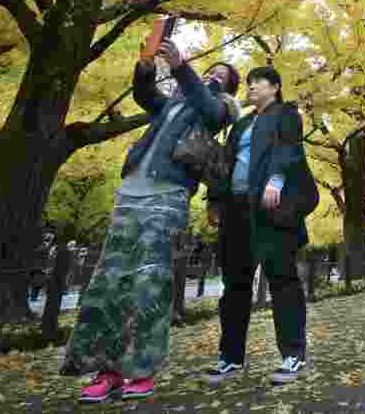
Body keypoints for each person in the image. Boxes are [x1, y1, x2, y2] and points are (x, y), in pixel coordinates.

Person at [62, 41, 240, 403]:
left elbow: (208, 107)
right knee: (110, 282)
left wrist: (187, 72)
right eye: (211, 72)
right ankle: (106, 370)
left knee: (149, 282)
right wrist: (145, 67)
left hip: (168, 196)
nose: (212, 77)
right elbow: (145, 95)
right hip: (131, 192)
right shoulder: (172, 102)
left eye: (221, 77)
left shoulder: (220, 108)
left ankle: (141, 370)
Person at [204, 66, 315, 386]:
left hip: (271, 208)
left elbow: (289, 149)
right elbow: (225, 161)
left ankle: (293, 356)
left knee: (282, 280)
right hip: (236, 209)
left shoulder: (286, 114)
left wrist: (276, 180)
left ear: (275, 87)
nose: (251, 88)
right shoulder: (241, 123)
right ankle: (230, 359)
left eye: (258, 83)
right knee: (235, 286)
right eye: (249, 83)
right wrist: (215, 199)